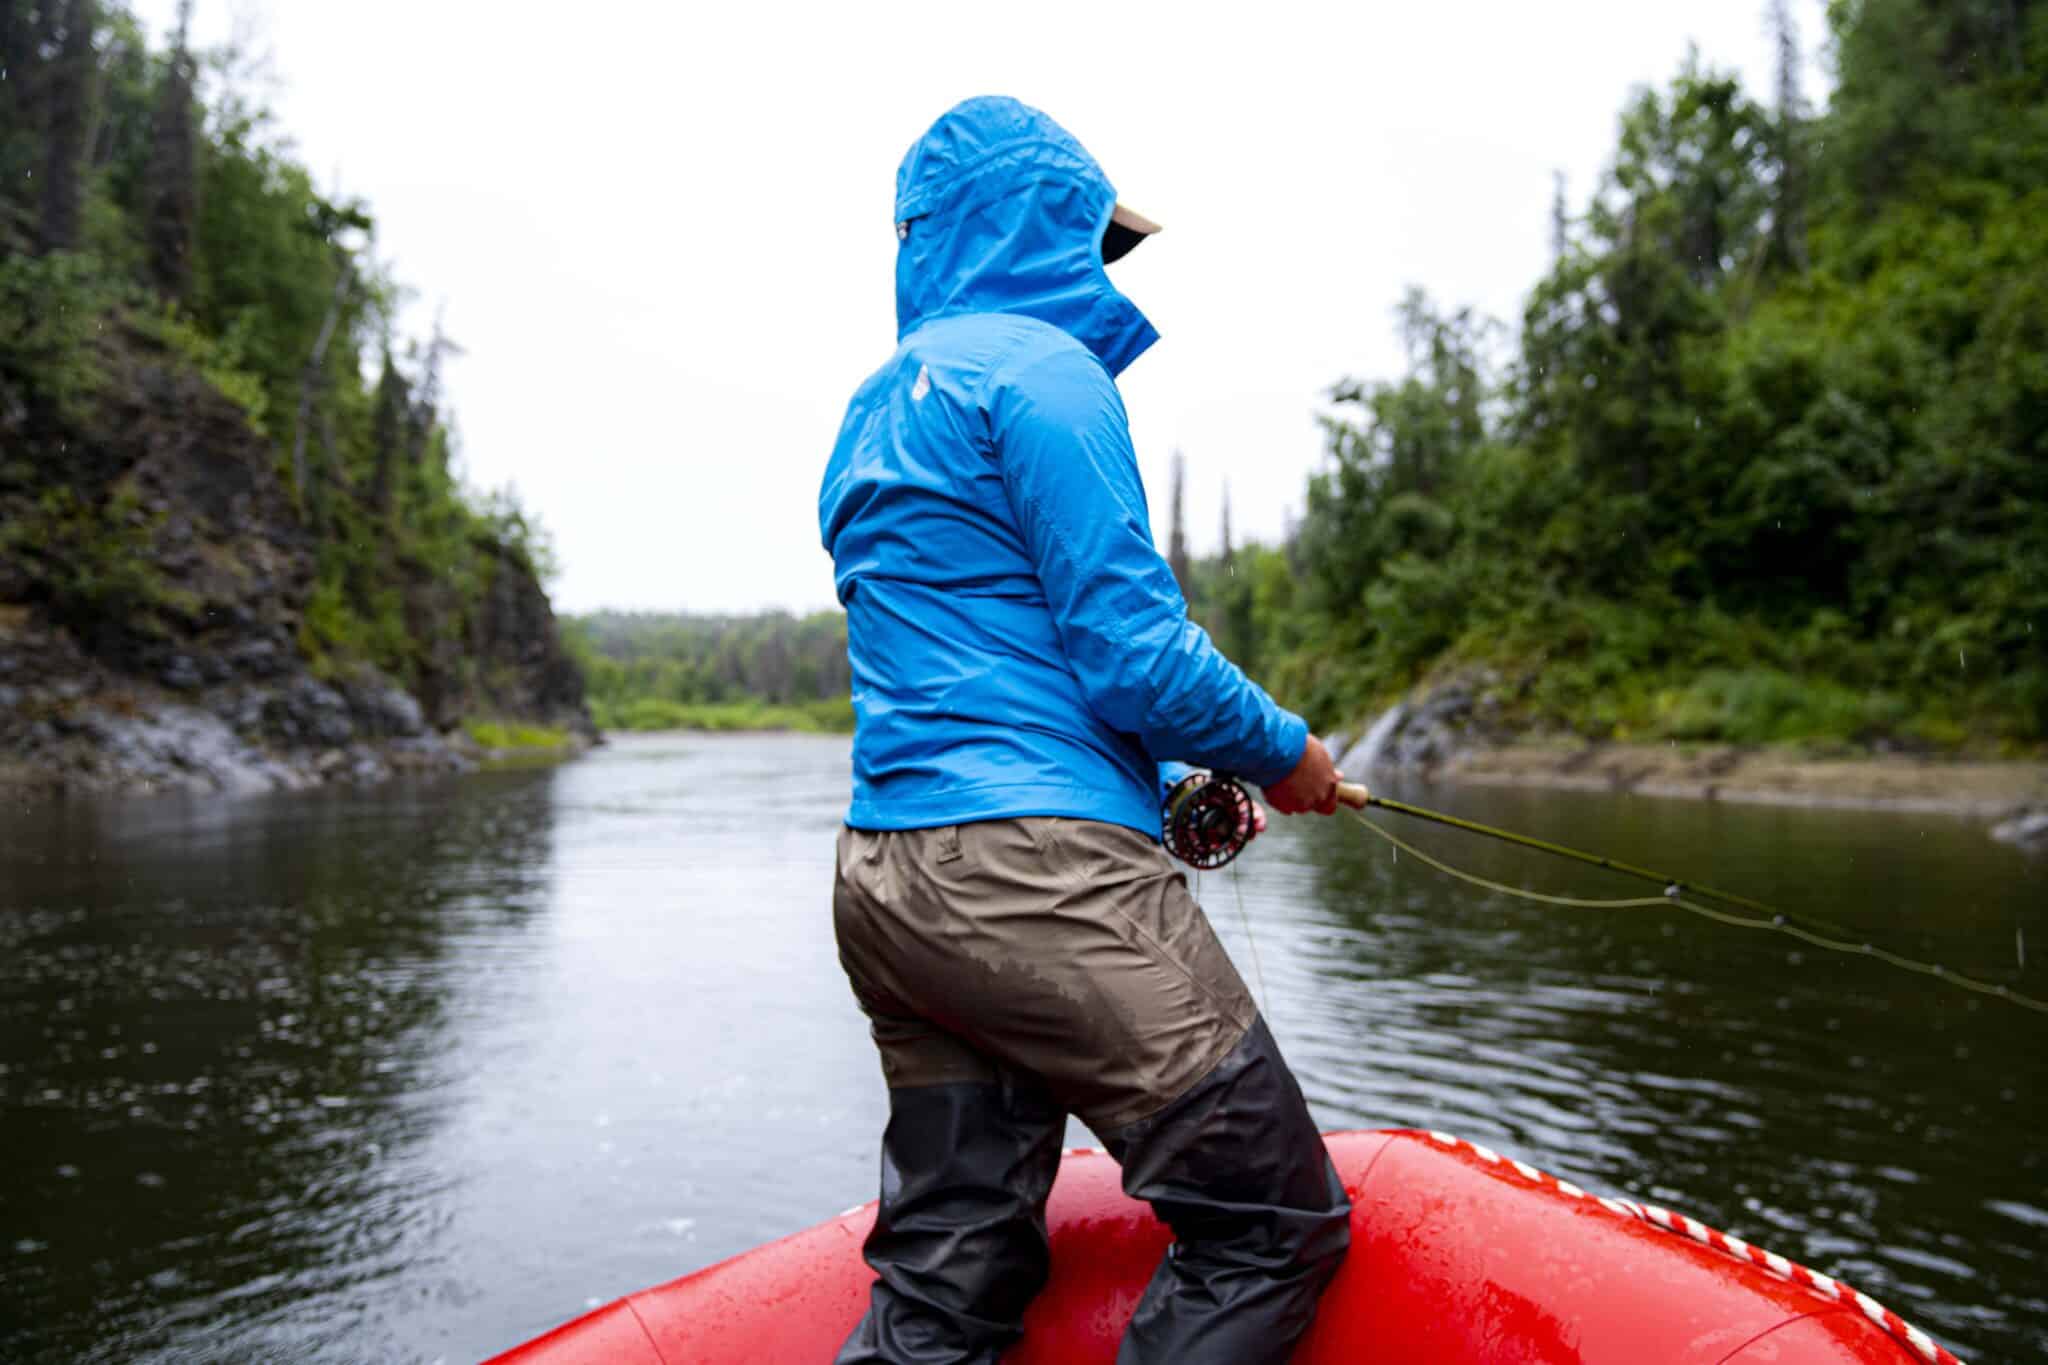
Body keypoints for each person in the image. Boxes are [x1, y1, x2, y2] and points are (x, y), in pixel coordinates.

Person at [817, 95, 1352, 1365]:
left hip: (885, 883)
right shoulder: (1048, 375)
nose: (1094, 268)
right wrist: (1288, 754)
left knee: (945, 1279)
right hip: (1035, 882)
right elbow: (1134, 659)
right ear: (1033, 223)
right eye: (1086, 236)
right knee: (1270, 1223)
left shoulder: (874, 406)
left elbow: (995, 654)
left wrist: (1155, 778)